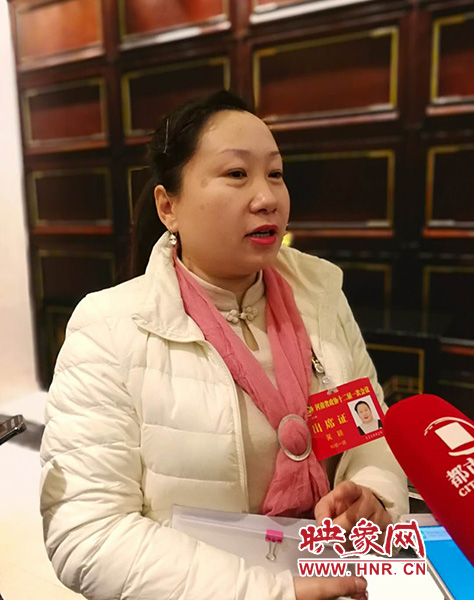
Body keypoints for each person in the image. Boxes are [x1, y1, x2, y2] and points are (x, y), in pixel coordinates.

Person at [40, 90, 408, 600]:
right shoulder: (107, 327)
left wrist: (374, 498)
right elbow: (88, 533)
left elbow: (371, 431)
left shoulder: (321, 294)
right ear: (168, 206)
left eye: (275, 173)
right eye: (237, 174)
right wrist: (271, 593)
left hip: (337, 579)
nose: (267, 197)